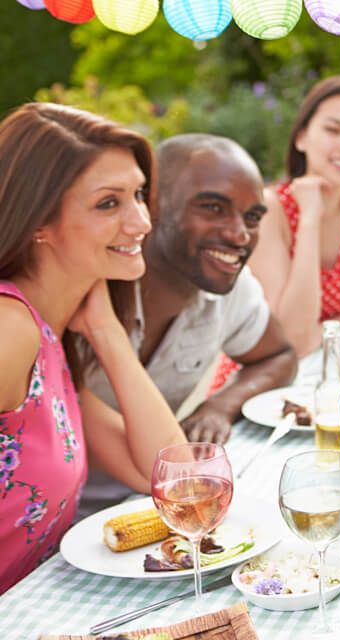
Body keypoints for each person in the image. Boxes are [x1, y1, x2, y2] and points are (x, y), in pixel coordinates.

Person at [0, 103, 186, 594]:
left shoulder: (46, 337)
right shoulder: (9, 331)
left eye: (139, 195)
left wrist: (105, 331)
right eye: (109, 204)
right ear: (38, 221)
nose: (142, 222)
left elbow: (175, 481)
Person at [80, 133, 298, 516]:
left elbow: (279, 355)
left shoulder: (230, 287)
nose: (239, 235)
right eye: (213, 208)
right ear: (153, 204)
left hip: (154, 498)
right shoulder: (82, 293)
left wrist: (220, 405)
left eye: (251, 217)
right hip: (62, 521)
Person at [248, 75, 340, 357]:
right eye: (333, 130)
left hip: (335, 361)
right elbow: (291, 337)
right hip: (267, 373)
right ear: (301, 138)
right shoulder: (271, 209)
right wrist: (310, 218)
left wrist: (319, 331)